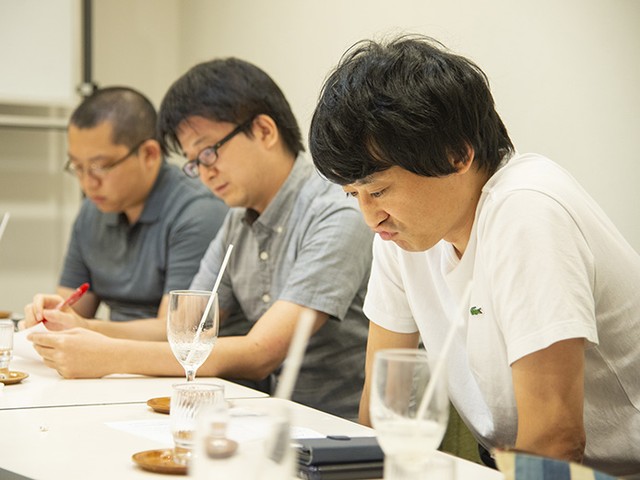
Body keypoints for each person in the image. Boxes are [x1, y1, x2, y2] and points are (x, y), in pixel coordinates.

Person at [308, 35, 640, 477]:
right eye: (354, 195)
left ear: (456, 154)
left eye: (379, 190)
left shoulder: (526, 210)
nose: (370, 216)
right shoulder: (400, 235)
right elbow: (383, 407)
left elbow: (556, 439)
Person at [27, 60, 373, 421]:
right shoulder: (238, 220)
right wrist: (82, 327)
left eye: (208, 152)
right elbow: (185, 329)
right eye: (194, 162)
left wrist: (108, 355)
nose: (205, 174)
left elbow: (260, 353)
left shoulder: (336, 211)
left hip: (333, 427)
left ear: (264, 131)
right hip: (262, 415)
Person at [23, 86, 228, 335]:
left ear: (149, 154)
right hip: (111, 354)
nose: (87, 183)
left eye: (100, 166)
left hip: (179, 357)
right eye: (77, 167)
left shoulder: (198, 212)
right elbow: (72, 309)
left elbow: (177, 332)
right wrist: (50, 318)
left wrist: (85, 327)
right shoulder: (92, 211)